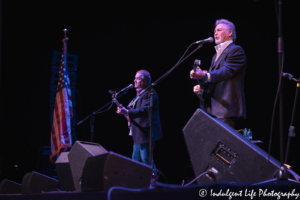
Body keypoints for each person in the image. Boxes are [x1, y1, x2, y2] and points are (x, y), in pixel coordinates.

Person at [190, 19, 247, 129]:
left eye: (219, 30)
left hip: (227, 109)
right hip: (214, 109)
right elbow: (215, 80)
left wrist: (205, 75)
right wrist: (201, 87)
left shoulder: (236, 50)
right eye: (215, 31)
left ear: (230, 33)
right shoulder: (215, 56)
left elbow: (226, 71)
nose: (215, 33)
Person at [116, 70, 162, 167]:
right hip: (138, 132)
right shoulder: (140, 93)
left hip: (146, 132)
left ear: (145, 81)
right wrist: (124, 111)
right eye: (135, 78)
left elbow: (145, 109)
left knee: (146, 159)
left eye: (138, 78)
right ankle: (137, 181)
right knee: (135, 160)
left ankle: (153, 181)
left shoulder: (150, 93)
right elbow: (133, 108)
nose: (134, 80)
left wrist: (128, 112)